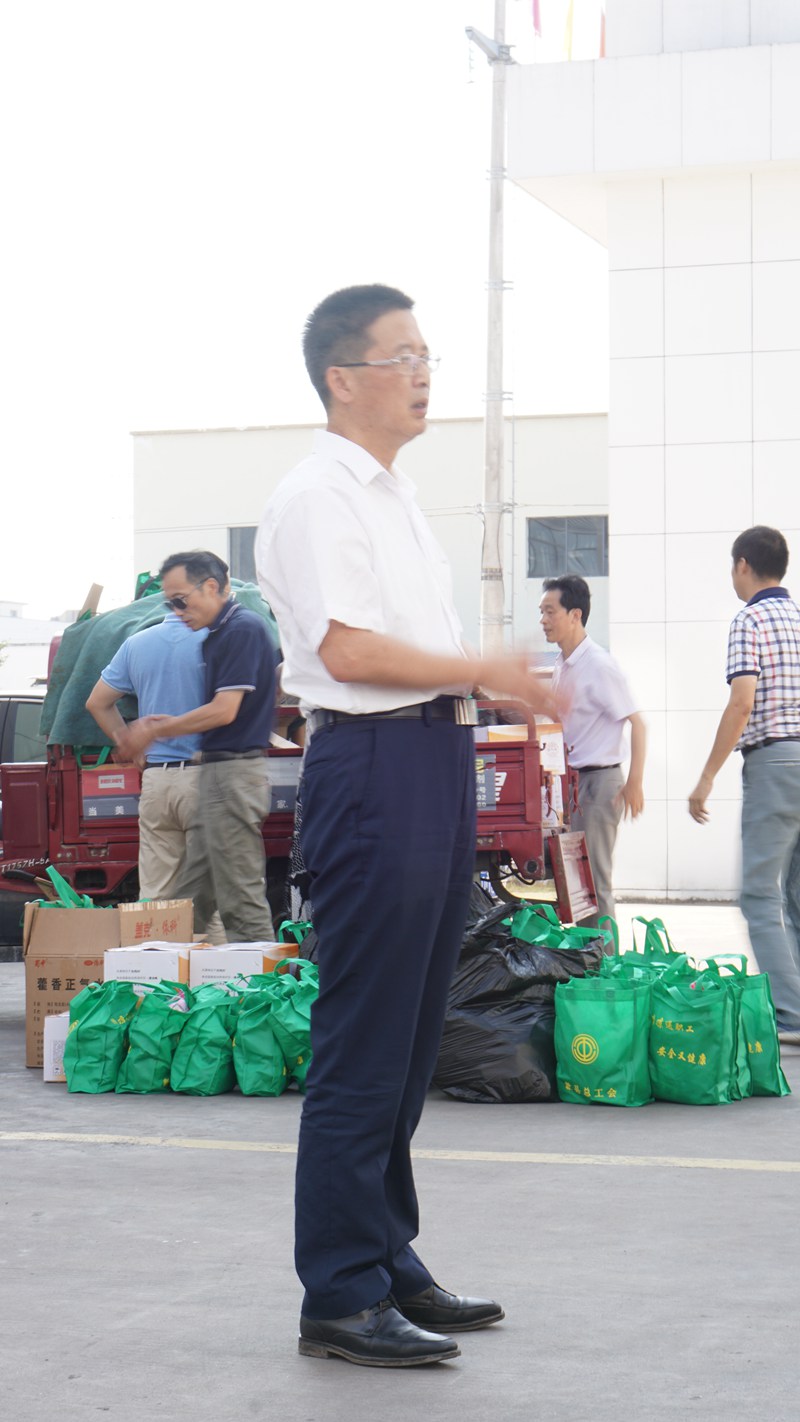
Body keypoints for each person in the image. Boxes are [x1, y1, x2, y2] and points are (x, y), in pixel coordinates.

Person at [256, 283, 556, 1369]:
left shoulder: (395, 498)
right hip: (372, 762)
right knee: (366, 1036)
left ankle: (386, 1257)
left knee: (414, 1032)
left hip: (430, 759)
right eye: (403, 355)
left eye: (429, 353)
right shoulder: (318, 496)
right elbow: (347, 650)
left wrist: (477, 686)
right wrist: (480, 666)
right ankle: (339, 1291)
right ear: (344, 378)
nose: (424, 372)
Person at [118, 550, 279, 944]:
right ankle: (167, 969)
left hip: (234, 773)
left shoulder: (242, 629)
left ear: (210, 586)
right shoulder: (218, 634)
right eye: (169, 604)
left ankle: (262, 981)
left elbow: (225, 710)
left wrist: (157, 729)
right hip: (218, 771)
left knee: (238, 899)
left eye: (180, 600)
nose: (176, 612)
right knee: (193, 898)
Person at [688, 526, 800, 1046]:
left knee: (759, 894)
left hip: (775, 763)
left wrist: (707, 776)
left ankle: (791, 1015)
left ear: (742, 565)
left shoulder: (749, 620)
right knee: (796, 895)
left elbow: (742, 702)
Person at [85, 616, 221, 941]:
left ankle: (156, 968)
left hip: (158, 781)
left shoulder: (137, 643)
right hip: (208, 778)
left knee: (156, 897)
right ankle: (220, 973)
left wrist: (130, 744)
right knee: (215, 901)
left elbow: (97, 702)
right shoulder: (217, 638)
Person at [539, 575, 645, 929]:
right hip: (574, 784)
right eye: (541, 612)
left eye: (550, 611)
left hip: (600, 783)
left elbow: (639, 724)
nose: (543, 620)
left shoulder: (599, 665)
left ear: (575, 615)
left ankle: (607, 959)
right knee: (578, 887)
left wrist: (634, 784)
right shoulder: (561, 664)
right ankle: (590, 958)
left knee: (596, 884)